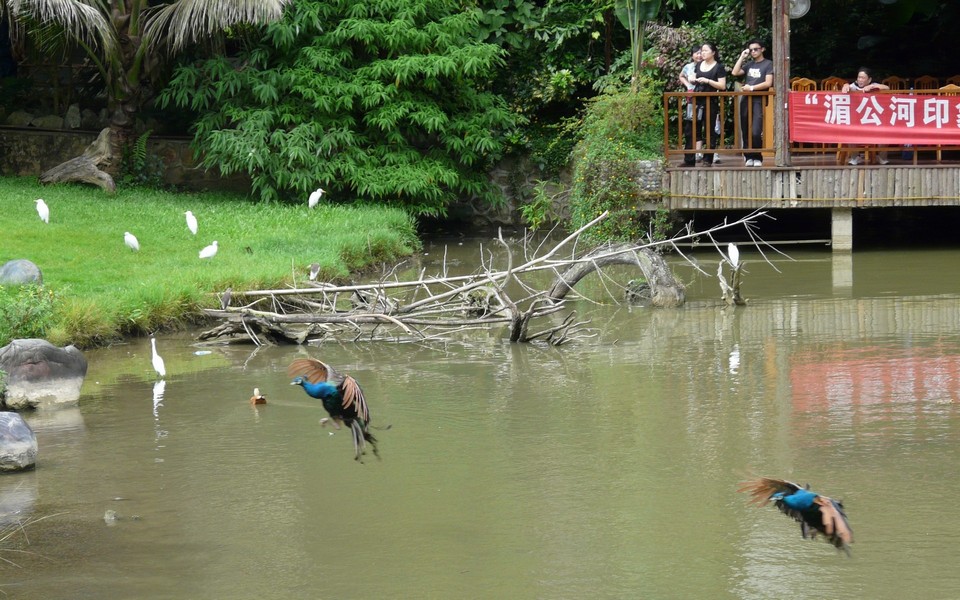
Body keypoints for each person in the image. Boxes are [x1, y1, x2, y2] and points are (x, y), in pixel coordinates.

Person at [681, 43, 726, 167]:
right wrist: (692, 79)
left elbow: (722, 85)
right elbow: (694, 76)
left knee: (709, 130)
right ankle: (689, 159)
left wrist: (708, 81)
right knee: (690, 129)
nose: (702, 53)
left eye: (705, 50)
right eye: (702, 51)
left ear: (713, 52)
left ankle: (708, 159)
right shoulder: (699, 64)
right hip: (696, 100)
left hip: (710, 101)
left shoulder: (718, 67)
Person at [731, 39, 773, 167]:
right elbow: (735, 72)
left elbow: (768, 82)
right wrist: (742, 57)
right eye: (751, 50)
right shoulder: (749, 64)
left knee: (756, 130)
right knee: (745, 129)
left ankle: (757, 157)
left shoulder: (768, 64)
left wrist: (752, 88)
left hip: (758, 99)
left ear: (762, 49)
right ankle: (748, 156)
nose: (753, 52)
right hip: (746, 99)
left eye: (756, 49)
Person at [841, 67, 890, 165]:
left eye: (863, 78)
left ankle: (882, 157)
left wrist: (872, 87)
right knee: (849, 132)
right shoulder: (853, 87)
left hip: (872, 120)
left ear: (869, 79)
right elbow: (847, 87)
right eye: (859, 77)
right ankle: (855, 157)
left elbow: (887, 88)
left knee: (884, 132)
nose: (860, 80)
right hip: (857, 121)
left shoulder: (873, 86)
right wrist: (845, 85)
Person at [679, 46, 703, 162]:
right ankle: (695, 154)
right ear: (692, 55)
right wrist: (688, 85)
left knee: (709, 125)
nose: (699, 55)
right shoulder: (688, 67)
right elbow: (681, 76)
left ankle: (705, 153)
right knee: (692, 123)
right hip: (691, 98)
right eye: (696, 53)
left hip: (705, 97)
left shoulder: (707, 66)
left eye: (701, 53)